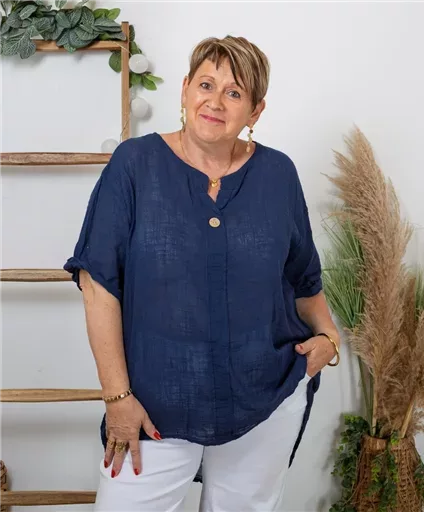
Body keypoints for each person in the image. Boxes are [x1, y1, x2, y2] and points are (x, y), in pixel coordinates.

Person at [64, 35, 341, 512]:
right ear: (185, 89)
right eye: (206, 85)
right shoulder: (135, 164)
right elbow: (98, 284)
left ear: (255, 111)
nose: (215, 102)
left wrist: (330, 338)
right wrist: (117, 397)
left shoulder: (278, 174)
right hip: (153, 405)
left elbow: (303, 279)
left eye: (234, 93)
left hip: (265, 399)